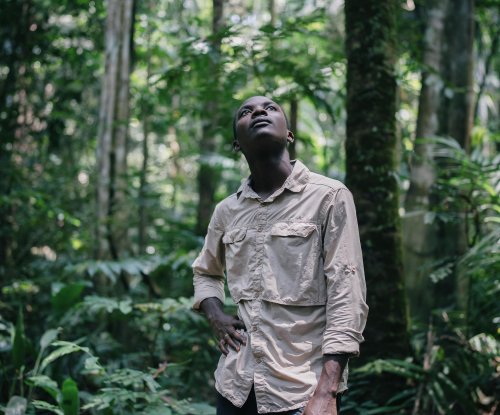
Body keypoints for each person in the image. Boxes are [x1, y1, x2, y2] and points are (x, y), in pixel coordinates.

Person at [192, 95, 368, 415]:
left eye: (270, 108)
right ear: (237, 145)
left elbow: (347, 293)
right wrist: (215, 315)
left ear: (289, 134)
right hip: (235, 387)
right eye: (246, 112)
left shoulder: (329, 197)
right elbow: (205, 271)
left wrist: (327, 391)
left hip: (302, 391)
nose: (259, 111)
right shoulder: (227, 212)